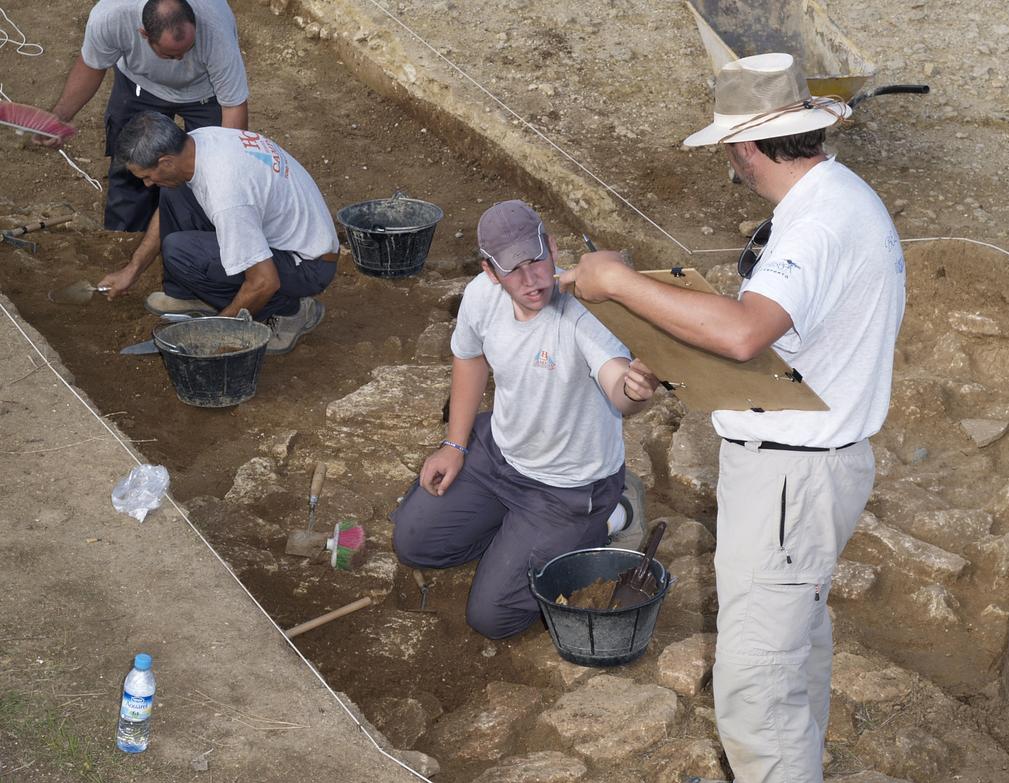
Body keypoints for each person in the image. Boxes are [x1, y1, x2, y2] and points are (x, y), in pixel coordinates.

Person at [560, 53, 906, 783]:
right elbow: (781, 347)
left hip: (793, 479)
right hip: (798, 465)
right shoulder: (829, 201)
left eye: (729, 145)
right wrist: (674, 357)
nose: (728, 160)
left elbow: (749, 335)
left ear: (750, 147)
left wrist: (619, 284)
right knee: (796, 652)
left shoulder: (819, 221)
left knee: (756, 690)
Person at [390, 200, 659, 640]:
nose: (530, 278)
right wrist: (455, 444)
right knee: (415, 544)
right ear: (491, 272)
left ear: (552, 247)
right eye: (512, 270)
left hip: (568, 487)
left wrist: (633, 389)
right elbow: (469, 355)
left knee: (492, 618)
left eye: (536, 260)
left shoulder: (582, 312)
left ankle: (614, 513)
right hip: (499, 455)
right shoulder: (482, 294)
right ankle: (519, 535)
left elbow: (616, 384)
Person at [100, 111, 338, 354]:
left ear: (166, 161)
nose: (147, 184)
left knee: (182, 253)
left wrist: (216, 334)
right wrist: (132, 269)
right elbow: (167, 206)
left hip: (308, 265)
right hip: (293, 236)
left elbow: (264, 282)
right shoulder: (198, 141)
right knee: (173, 190)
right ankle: (188, 293)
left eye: (147, 176)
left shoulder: (227, 194)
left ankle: (290, 312)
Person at [38, 0, 249, 232]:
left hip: (206, 91)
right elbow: (92, 66)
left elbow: (233, 106)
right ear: (144, 34)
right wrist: (60, 116)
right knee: (133, 167)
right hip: (140, 84)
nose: (180, 60)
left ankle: (195, 242)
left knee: (207, 171)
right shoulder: (111, 17)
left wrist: (226, 164)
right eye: (171, 54)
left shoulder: (216, 28)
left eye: (188, 49)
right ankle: (123, 238)